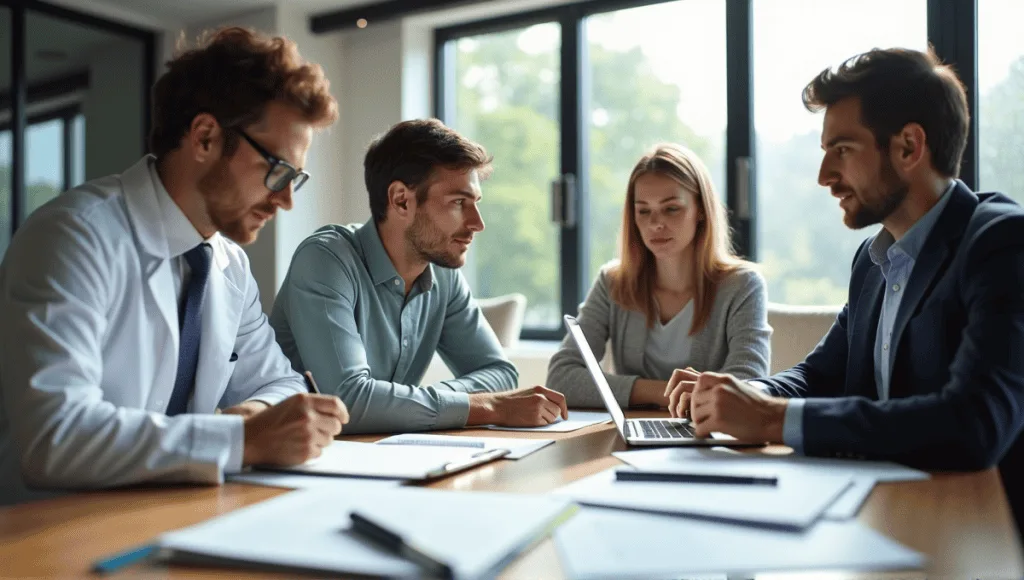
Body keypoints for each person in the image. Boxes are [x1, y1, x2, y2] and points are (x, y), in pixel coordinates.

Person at [0, 27, 349, 506]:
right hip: (46, 527)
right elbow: (53, 437)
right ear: (205, 137)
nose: (286, 199)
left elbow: (281, 383)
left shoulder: (228, 264)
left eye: (296, 178)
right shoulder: (73, 237)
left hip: (165, 511)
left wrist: (250, 416)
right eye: (277, 171)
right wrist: (242, 439)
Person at [667, 48, 1024, 503]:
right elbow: (819, 375)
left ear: (909, 147)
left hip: (976, 523)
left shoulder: (1001, 243)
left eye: (842, 150)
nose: (824, 176)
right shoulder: (872, 261)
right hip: (884, 503)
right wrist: (740, 395)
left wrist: (769, 418)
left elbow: (974, 423)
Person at [270, 119, 568, 434]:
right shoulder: (325, 260)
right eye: (458, 203)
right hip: (295, 455)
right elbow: (349, 401)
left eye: (475, 203)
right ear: (401, 200)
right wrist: (488, 406)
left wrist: (409, 403)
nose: (477, 223)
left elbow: (499, 373)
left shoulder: (442, 272)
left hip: (379, 450)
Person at [547, 143, 771, 410]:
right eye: (643, 211)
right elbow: (561, 378)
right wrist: (665, 393)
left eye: (671, 208)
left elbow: (750, 383)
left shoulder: (742, 286)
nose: (655, 224)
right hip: (633, 431)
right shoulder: (613, 282)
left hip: (707, 433)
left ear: (701, 209)